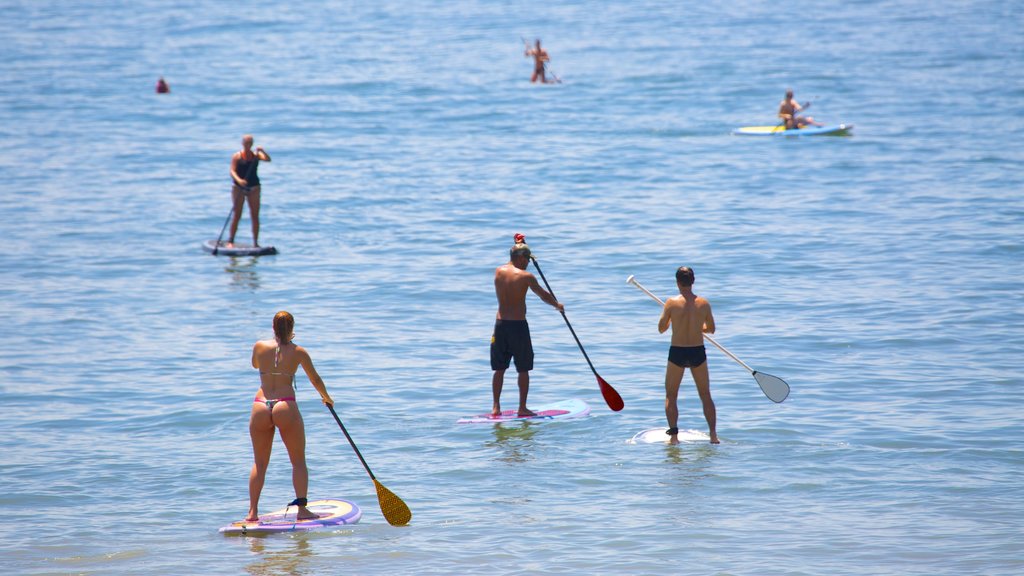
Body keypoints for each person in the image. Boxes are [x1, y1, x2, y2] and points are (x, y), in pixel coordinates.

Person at [246, 311, 334, 522]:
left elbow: (255, 365)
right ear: (292, 328)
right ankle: (302, 510)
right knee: (298, 462)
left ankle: (252, 512)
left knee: (259, 463)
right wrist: (326, 398)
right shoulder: (299, 352)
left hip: (260, 405)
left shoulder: (259, 346)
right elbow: (315, 379)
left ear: (273, 327)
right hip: (285, 405)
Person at [491, 233, 563, 417]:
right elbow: (543, 295)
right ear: (521, 259)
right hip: (518, 327)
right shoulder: (526, 276)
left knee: (499, 369)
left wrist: (520, 245)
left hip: (500, 326)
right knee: (523, 369)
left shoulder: (498, 271)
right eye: (527, 260)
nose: (528, 264)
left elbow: (514, 254)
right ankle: (522, 408)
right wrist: (557, 305)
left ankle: (496, 407)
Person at [658, 266, 719, 444]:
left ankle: (674, 437)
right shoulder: (704, 303)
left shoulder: (671, 302)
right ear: (693, 282)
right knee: (705, 395)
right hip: (697, 351)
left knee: (671, 395)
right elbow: (712, 329)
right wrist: (697, 328)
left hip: (677, 351)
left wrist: (672, 320)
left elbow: (661, 329)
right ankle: (713, 436)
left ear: (677, 282)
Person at [228, 135, 271, 248]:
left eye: (250, 143)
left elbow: (267, 159)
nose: (248, 145)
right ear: (243, 143)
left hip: (254, 188)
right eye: (246, 143)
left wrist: (262, 151)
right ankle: (231, 241)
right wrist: (239, 180)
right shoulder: (237, 156)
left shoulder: (256, 155)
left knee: (255, 215)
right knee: (237, 214)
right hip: (239, 188)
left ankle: (255, 243)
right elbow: (232, 171)